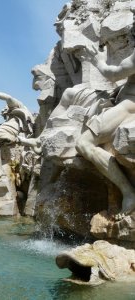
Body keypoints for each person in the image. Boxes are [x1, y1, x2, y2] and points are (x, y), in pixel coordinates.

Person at [76, 44, 135, 215]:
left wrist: (98, 61)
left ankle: (128, 191)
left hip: (130, 106)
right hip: (126, 101)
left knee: (84, 143)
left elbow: (114, 74)